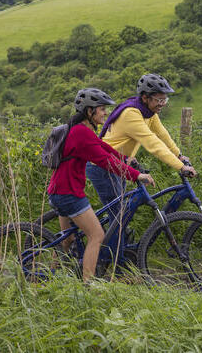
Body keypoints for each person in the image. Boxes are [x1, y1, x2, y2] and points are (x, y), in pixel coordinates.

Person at [46, 87, 154, 282]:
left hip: (57, 192)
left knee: (67, 239)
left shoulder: (79, 129)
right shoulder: (81, 133)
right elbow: (105, 161)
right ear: (89, 111)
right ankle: (88, 285)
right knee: (96, 235)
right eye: (102, 109)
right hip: (69, 194)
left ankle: (46, 276)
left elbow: (104, 147)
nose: (105, 113)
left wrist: (125, 157)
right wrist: (136, 176)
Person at [87, 73, 196, 216]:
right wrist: (180, 166)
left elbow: (162, 135)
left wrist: (179, 155)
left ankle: (113, 235)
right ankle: (101, 236)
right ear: (145, 97)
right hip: (103, 165)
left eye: (165, 99)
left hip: (120, 163)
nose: (163, 103)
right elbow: (153, 144)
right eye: (159, 99)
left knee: (121, 215)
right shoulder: (131, 114)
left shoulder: (149, 113)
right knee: (118, 216)